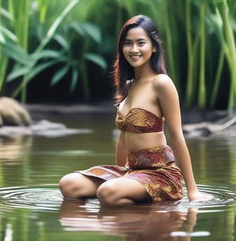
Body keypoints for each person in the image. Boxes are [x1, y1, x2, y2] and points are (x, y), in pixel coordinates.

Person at [59, 15, 208, 206]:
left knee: (107, 193)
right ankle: (122, 214)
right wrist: (121, 174)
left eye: (141, 43)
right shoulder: (129, 86)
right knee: (69, 184)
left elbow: (177, 137)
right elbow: (122, 138)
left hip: (159, 174)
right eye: (128, 43)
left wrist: (192, 190)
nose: (134, 49)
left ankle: (150, 220)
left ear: (154, 47)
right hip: (132, 171)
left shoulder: (161, 83)